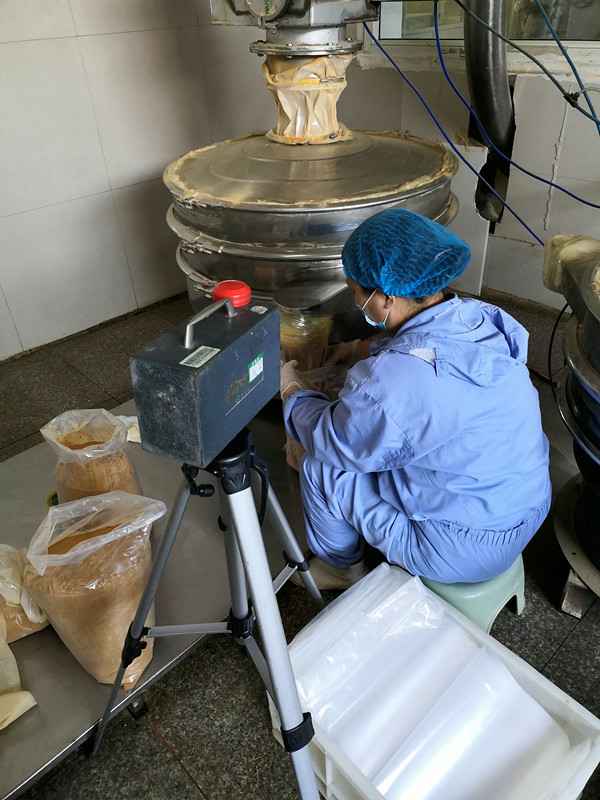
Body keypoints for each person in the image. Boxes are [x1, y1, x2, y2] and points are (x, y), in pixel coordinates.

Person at [281, 208, 551, 590]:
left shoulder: (393, 383)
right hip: (526, 508)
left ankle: (340, 570)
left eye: (355, 291)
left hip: (460, 549)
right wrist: (359, 349)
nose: (355, 299)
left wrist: (293, 392)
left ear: (385, 298)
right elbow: (430, 348)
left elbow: (336, 441)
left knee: (320, 465)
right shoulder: (478, 317)